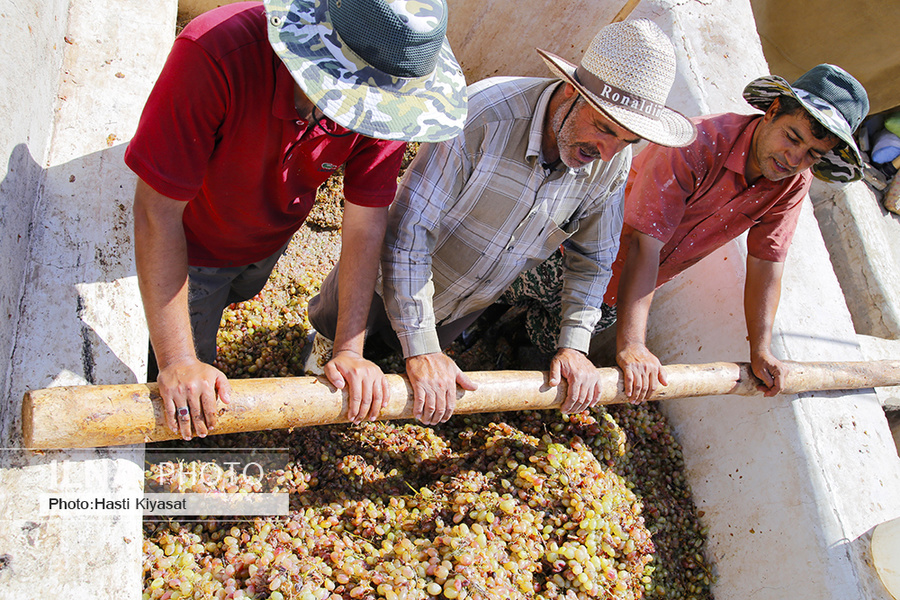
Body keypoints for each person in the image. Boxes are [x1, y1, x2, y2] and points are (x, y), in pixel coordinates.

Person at [307, 19, 697, 424]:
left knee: (393, 383)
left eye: (628, 140)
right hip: (382, 283)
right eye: (603, 128)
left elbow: (594, 260)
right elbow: (409, 232)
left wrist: (575, 346)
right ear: (570, 91)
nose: (608, 151)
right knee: (329, 361)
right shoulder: (483, 115)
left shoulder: (611, 164)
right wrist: (421, 348)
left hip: (462, 302)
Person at [125, 0, 467, 440]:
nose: (350, 119)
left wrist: (349, 349)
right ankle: (175, 445)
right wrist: (177, 361)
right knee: (189, 376)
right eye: (342, 100)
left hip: (269, 233)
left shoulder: (391, 98)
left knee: (241, 287)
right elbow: (156, 210)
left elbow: (365, 223)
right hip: (193, 244)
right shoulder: (215, 53)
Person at [513, 64, 869, 403]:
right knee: (498, 293)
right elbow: (643, 241)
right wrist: (633, 343)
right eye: (792, 138)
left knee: (545, 338)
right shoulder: (699, 143)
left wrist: (760, 350)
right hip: (570, 252)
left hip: (620, 294)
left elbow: (767, 262)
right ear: (773, 110)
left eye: (812, 155)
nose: (794, 158)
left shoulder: (791, 183)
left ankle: (502, 354)